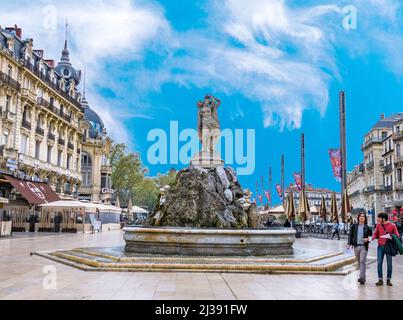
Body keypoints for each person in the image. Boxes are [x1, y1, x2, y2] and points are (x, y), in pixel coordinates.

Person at [372, 213, 400, 286]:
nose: (378, 220)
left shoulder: (392, 225)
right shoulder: (378, 225)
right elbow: (375, 234)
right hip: (380, 247)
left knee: (389, 264)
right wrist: (371, 238)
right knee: (379, 263)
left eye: (379, 218)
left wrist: (391, 236)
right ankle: (380, 279)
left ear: (383, 219)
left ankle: (388, 279)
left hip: (388, 247)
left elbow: (397, 235)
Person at [347, 213, 372, 284]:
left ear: (365, 218)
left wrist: (368, 239)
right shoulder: (354, 226)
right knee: (359, 262)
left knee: (362, 261)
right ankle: (363, 277)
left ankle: (361, 277)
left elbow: (371, 237)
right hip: (356, 246)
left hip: (364, 246)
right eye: (360, 216)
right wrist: (349, 243)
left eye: (363, 216)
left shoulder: (368, 228)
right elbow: (350, 235)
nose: (361, 217)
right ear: (358, 218)